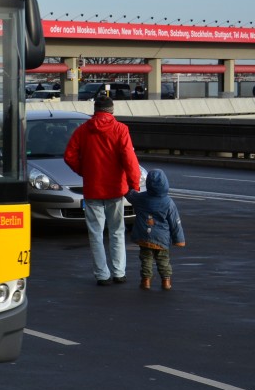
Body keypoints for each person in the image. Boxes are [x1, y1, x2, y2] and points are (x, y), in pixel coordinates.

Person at [64, 95, 143, 285]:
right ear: (112, 110)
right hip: (116, 189)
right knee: (117, 231)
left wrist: (84, 171)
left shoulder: (83, 130)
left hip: (93, 189)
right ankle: (119, 272)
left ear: (95, 110)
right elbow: (129, 159)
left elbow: (69, 156)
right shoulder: (120, 129)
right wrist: (134, 185)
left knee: (95, 233)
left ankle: (102, 274)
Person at [126, 169, 185, 291]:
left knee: (146, 259)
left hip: (144, 236)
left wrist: (128, 185)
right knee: (163, 260)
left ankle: (146, 281)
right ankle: (166, 281)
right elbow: (175, 223)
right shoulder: (168, 202)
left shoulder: (141, 198)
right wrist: (179, 239)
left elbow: (130, 195)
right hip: (161, 238)